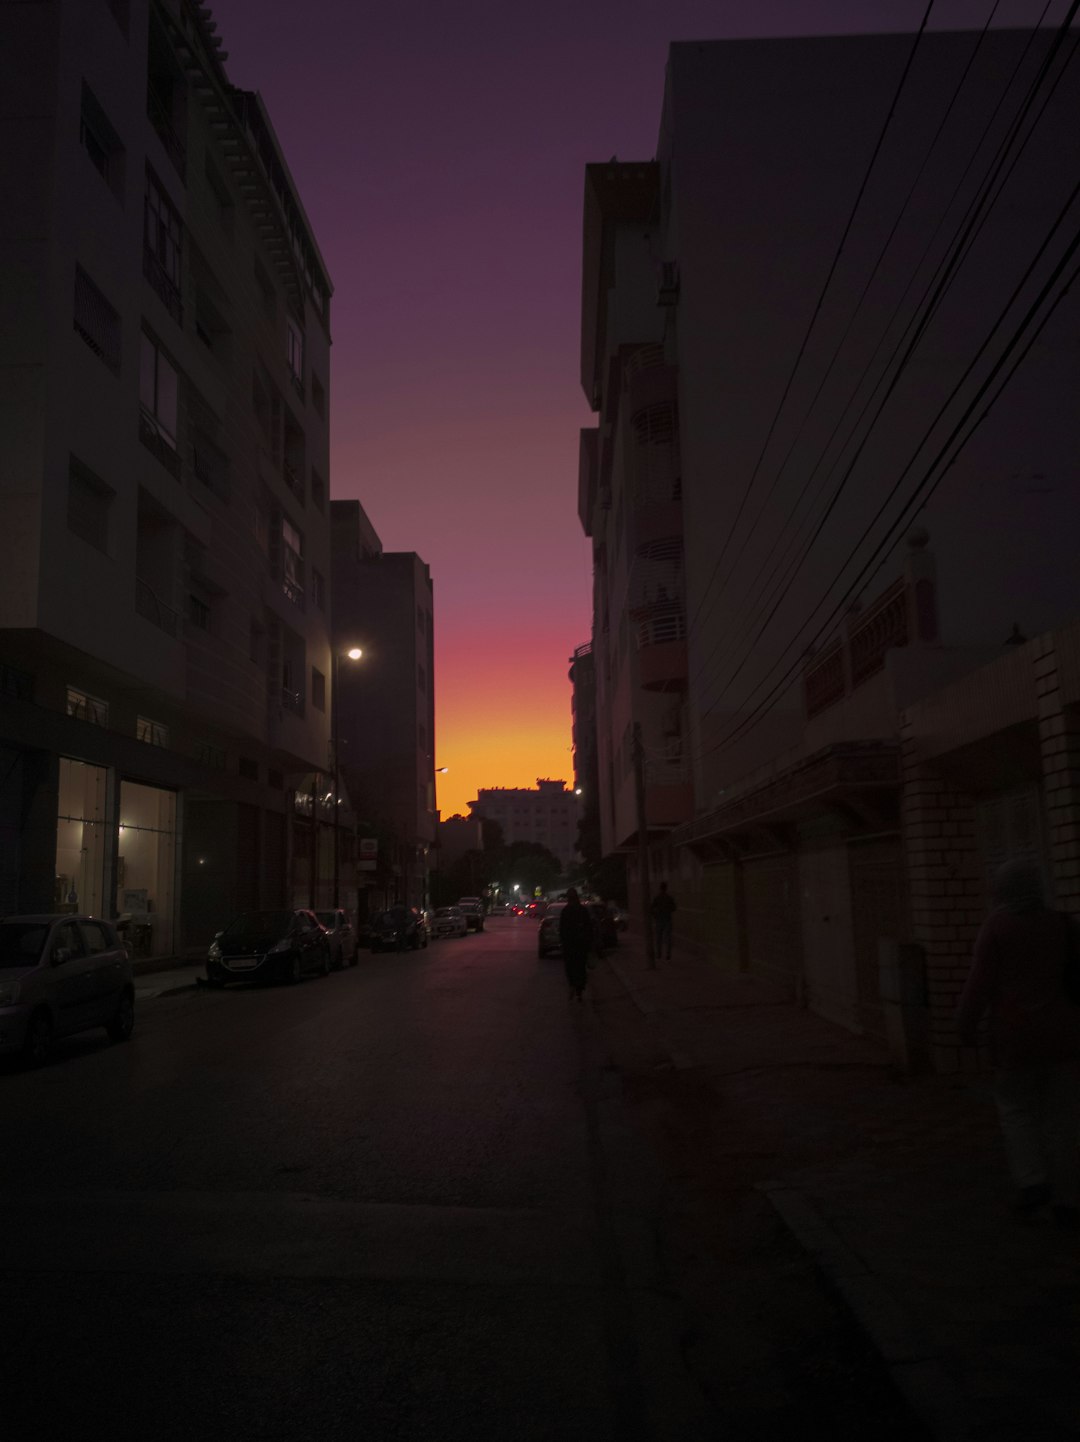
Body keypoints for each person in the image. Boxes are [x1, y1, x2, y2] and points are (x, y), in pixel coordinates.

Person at [956, 858, 1080, 1227]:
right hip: (1065, 1035)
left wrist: (964, 1026)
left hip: (1015, 1037)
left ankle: (1032, 1181)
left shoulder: (997, 927)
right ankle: (1070, 1199)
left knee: (1016, 1109)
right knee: (1063, 1118)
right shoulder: (1063, 925)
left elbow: (979, 985)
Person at [559, 888, 596, 1002]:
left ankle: (572, 985)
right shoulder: (582, 910)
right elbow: (589, 928)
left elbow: (562, 929)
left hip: (570, 945)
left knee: (570, 967)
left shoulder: (566, 911)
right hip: (580, 945)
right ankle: (579, 990)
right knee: (580, 968)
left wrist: (563, 943)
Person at [651, 881, 676, 961]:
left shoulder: (657, 898)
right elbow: (674, 908)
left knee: (659, 938)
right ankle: (668, 954)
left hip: (659, 920)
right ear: (666, 888)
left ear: (660, 888)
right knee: (668, 938)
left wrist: (655, 915)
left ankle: (659, 954)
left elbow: (651, 909)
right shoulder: (669, 898)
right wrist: (668, 910)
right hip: (667, 919)